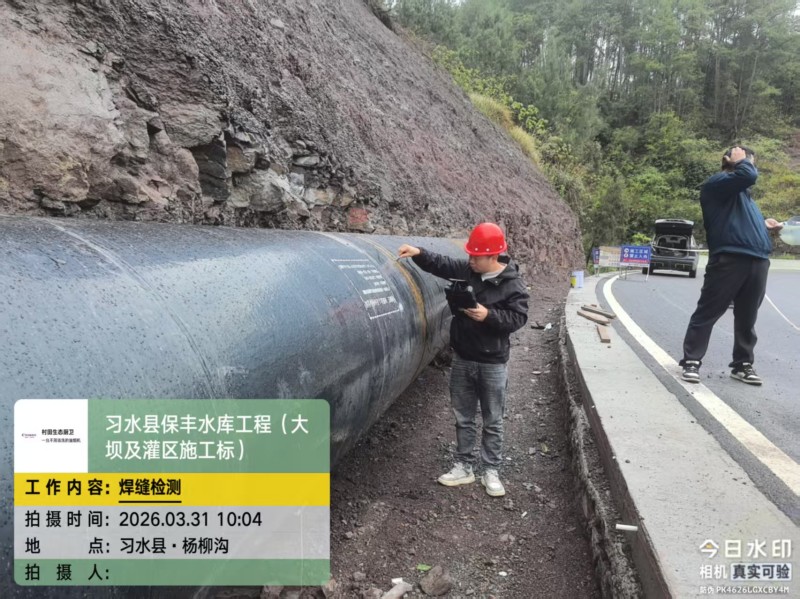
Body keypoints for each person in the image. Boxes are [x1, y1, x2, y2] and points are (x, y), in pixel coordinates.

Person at [398, 223, 528, 497]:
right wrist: (418, 252)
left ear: (493, 256)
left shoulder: (512, 283)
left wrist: (488, 315)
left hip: (492, 363)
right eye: (469, 255)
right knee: (463, 416)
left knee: (493, 419)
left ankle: (490, 469)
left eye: (476, 256)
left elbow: (518, 318)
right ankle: (464, 466)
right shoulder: (469, 271)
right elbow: (441, 264)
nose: (470, 260)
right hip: (463, 358)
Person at [680, 146, 783, 385]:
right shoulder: (717, 184)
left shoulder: (745, 197)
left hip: (758, 260)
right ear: (732, 161)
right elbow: (748, 175)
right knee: (708, 311)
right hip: (729, 259)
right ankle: (691, 360)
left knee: (747, 317)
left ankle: (742, 364)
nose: (753, 166)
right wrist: (741, 161)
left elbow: (740, 220)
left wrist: (765, 225)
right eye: (749, 161)